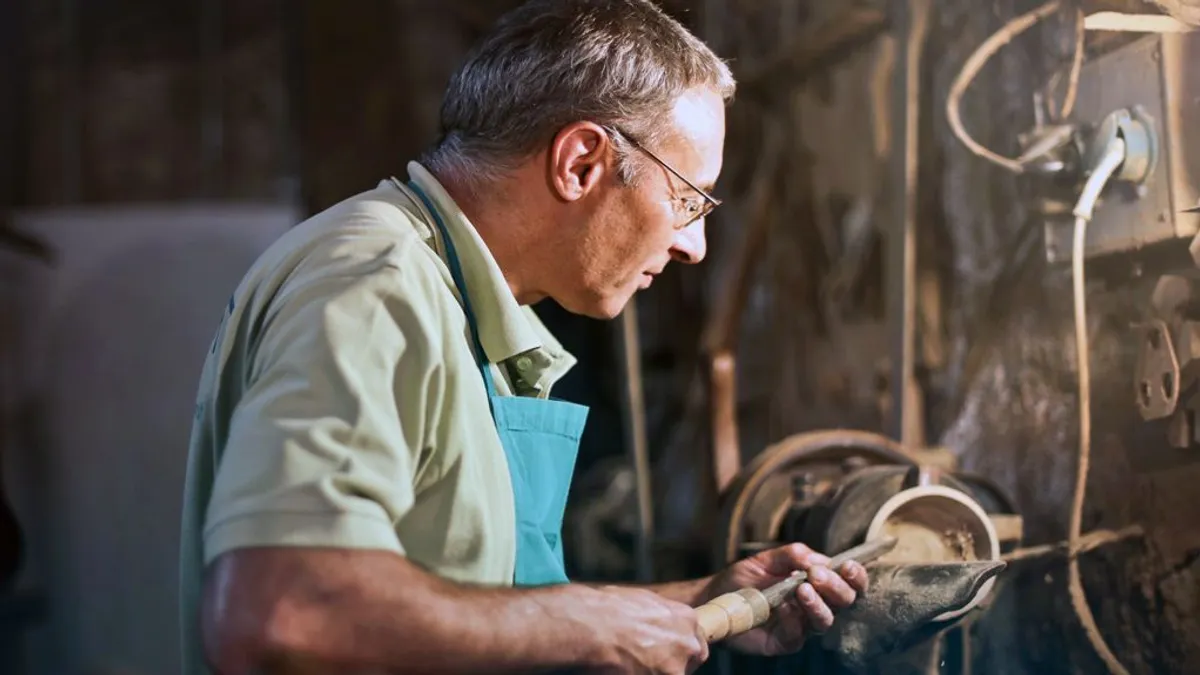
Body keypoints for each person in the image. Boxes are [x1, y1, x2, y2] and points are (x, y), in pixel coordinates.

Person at [179, 1, 869, 673]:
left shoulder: (450, 297)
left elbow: (463, 610)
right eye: (688, 199)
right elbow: (279, 611)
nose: (694, 245)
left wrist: (697, 605)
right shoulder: (377, 287)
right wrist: (586, 627)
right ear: (580, 163)